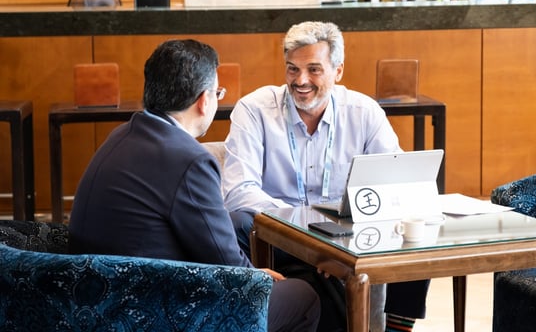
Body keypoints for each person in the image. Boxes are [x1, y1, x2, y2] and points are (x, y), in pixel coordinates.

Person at [68, 39, 321, 332]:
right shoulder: (189, 159)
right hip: (152, 308)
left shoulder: (122, 134)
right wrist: (258, 277)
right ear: (203, 100)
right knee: (303, 296)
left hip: (96, 294)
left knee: (242, 221)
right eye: (218, 93)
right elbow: (227, 263)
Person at [222, 21, 430, 332]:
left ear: (338, 71)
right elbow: (238, 192)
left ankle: (391, 326)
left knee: (414, 233)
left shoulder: (363, 112)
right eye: (292, 69)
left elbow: (396, 181)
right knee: (238, 223)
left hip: (347, 237)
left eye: (314, 69)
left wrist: (340, 242)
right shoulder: (254, 110)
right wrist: (307, 233)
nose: (300, 80)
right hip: (278, 234)